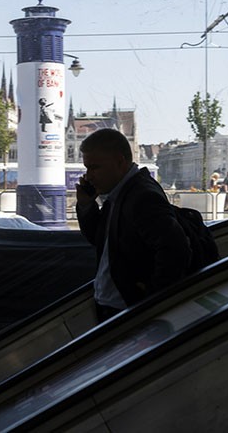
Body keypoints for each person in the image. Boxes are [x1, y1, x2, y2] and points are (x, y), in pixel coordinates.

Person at [76, 129, 193, 322]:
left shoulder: (142, 197)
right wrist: (87, 205)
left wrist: (150, 300)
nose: (88, 177)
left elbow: (176, 250)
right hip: (116, 306)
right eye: (87, 168)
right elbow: (98, 239)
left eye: (95, 167)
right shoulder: (119, 193)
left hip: (127, 311)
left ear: (120, 162)